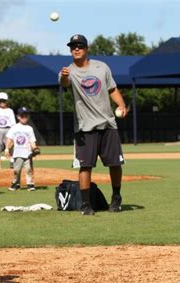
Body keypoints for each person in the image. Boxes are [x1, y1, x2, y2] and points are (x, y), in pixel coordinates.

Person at [59, 34, 128, 215]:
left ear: (86, 49)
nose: (76, 48)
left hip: (107, 123)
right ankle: (85, 204)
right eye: (73, 46)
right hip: (85, 127)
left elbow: (112, 89)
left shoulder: (101, 67)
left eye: (80, 46)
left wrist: (121, 104)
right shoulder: (68, 71)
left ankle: (116, 198)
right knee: (85, 166)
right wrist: (64, 76)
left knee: (115, 163)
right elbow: (63, 83)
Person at [5, 107, 38, 191]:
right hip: (17, 152)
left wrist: (34, 148)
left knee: (29, 169)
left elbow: (32, 140)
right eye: (22, 116)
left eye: (26, 116)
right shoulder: (14, 127)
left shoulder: (29, 128)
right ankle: (16, 183)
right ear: (18, 117)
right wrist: (7, 149)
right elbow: (9, 139)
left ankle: (30, 184)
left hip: (27, 153)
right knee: (17, 169)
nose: (24, 117)